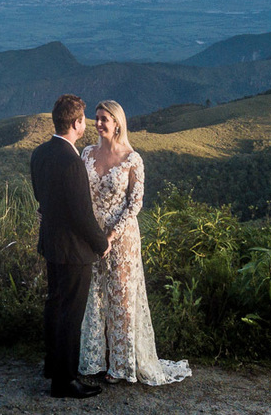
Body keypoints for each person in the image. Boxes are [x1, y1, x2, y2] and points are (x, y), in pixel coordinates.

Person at [79, 100, 191, 385]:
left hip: (122, 238)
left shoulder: (132, 159)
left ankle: (121, 367)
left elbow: (135, 204)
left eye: (105, 118)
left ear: (118, 123)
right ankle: (91, 362)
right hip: (90, 235)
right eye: (97, 118)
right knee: (92, 297)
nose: (99, 123)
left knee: (121, 300)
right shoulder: (86, 153)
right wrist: (90, 232)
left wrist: (111, 235)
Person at [31, 94, 110, 399]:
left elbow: (41, 197)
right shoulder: (71, 161)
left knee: (54, 306)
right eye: (84, 120)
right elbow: (81, 214)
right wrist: (101, 243)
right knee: (70, 315)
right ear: (77, 123)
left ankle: (53, 366)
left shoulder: (40, 153)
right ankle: (65, 381)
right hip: (74, 250)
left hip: (50, 243)